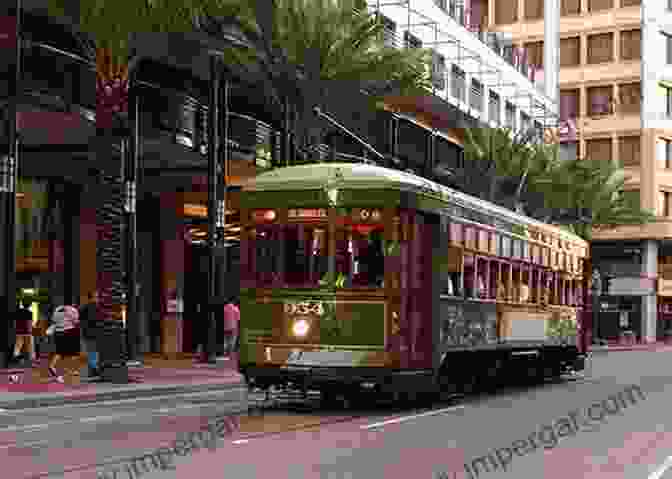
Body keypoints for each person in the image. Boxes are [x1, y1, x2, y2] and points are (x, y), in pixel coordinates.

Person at [45, 304, 80, 383]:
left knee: (59, 351)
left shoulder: (57, 309)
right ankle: (73, 369)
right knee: (73, 351)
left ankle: (52, 365)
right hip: (69, 331)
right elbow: (75, 321)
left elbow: (53, 320)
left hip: (58, 332)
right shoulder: (72, 309)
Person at [79, 291, 100, 377]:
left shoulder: (83, 308)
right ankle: (94, 369)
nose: (98, 298)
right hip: (95, 332)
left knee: (91, 352)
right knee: (94, 352)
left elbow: (79, 320)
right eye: (97, 297)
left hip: (87, 332)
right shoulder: (97, 307)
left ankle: (92, 371)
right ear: (93, 297)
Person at [12, 300, 35, 365]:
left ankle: (15, 358)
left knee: (18, 346)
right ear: (29, 305)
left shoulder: (18, 312)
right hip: (27, 332)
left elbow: (15, 322)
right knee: (30, 347)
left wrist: (15, 329)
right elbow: (29, 322)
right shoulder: (29, 312)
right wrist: (30, 331)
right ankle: (31, 361)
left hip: (19, 332)